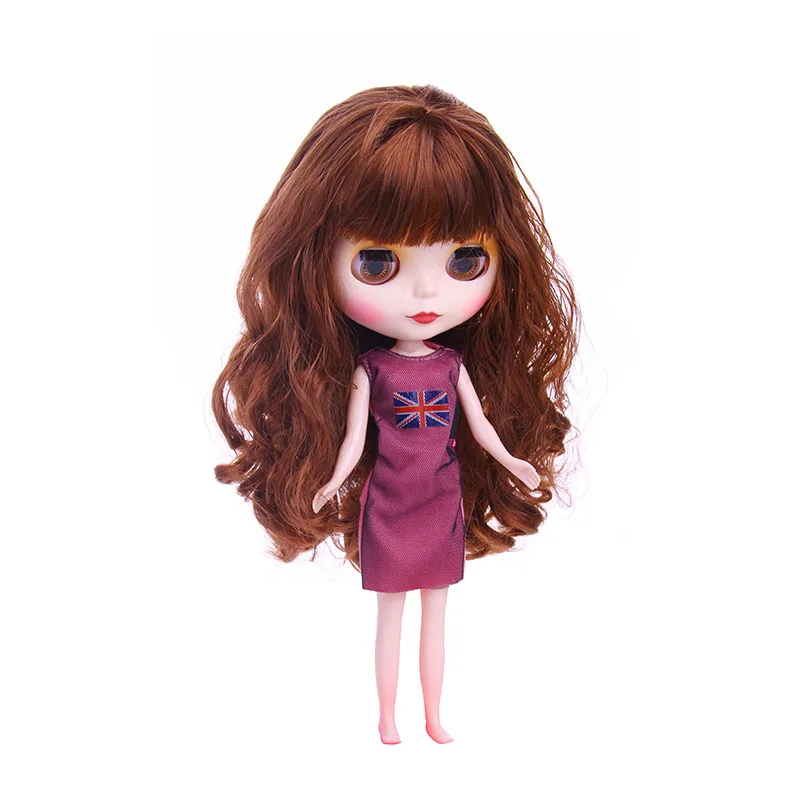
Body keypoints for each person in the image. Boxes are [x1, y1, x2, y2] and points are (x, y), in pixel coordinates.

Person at [212, 84, 582, 744]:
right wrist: (332, 480)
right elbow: (355, 440)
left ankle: (433, 716)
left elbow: (480, 427)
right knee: (391, 618)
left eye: (465, 259)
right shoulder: (372, 371)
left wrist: (509, 458)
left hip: (440, 502)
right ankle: (388, 717)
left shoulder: (451, 365)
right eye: (379, 261)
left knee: (436, 616)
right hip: (388, 506)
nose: (427, 290)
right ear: (313, 261)